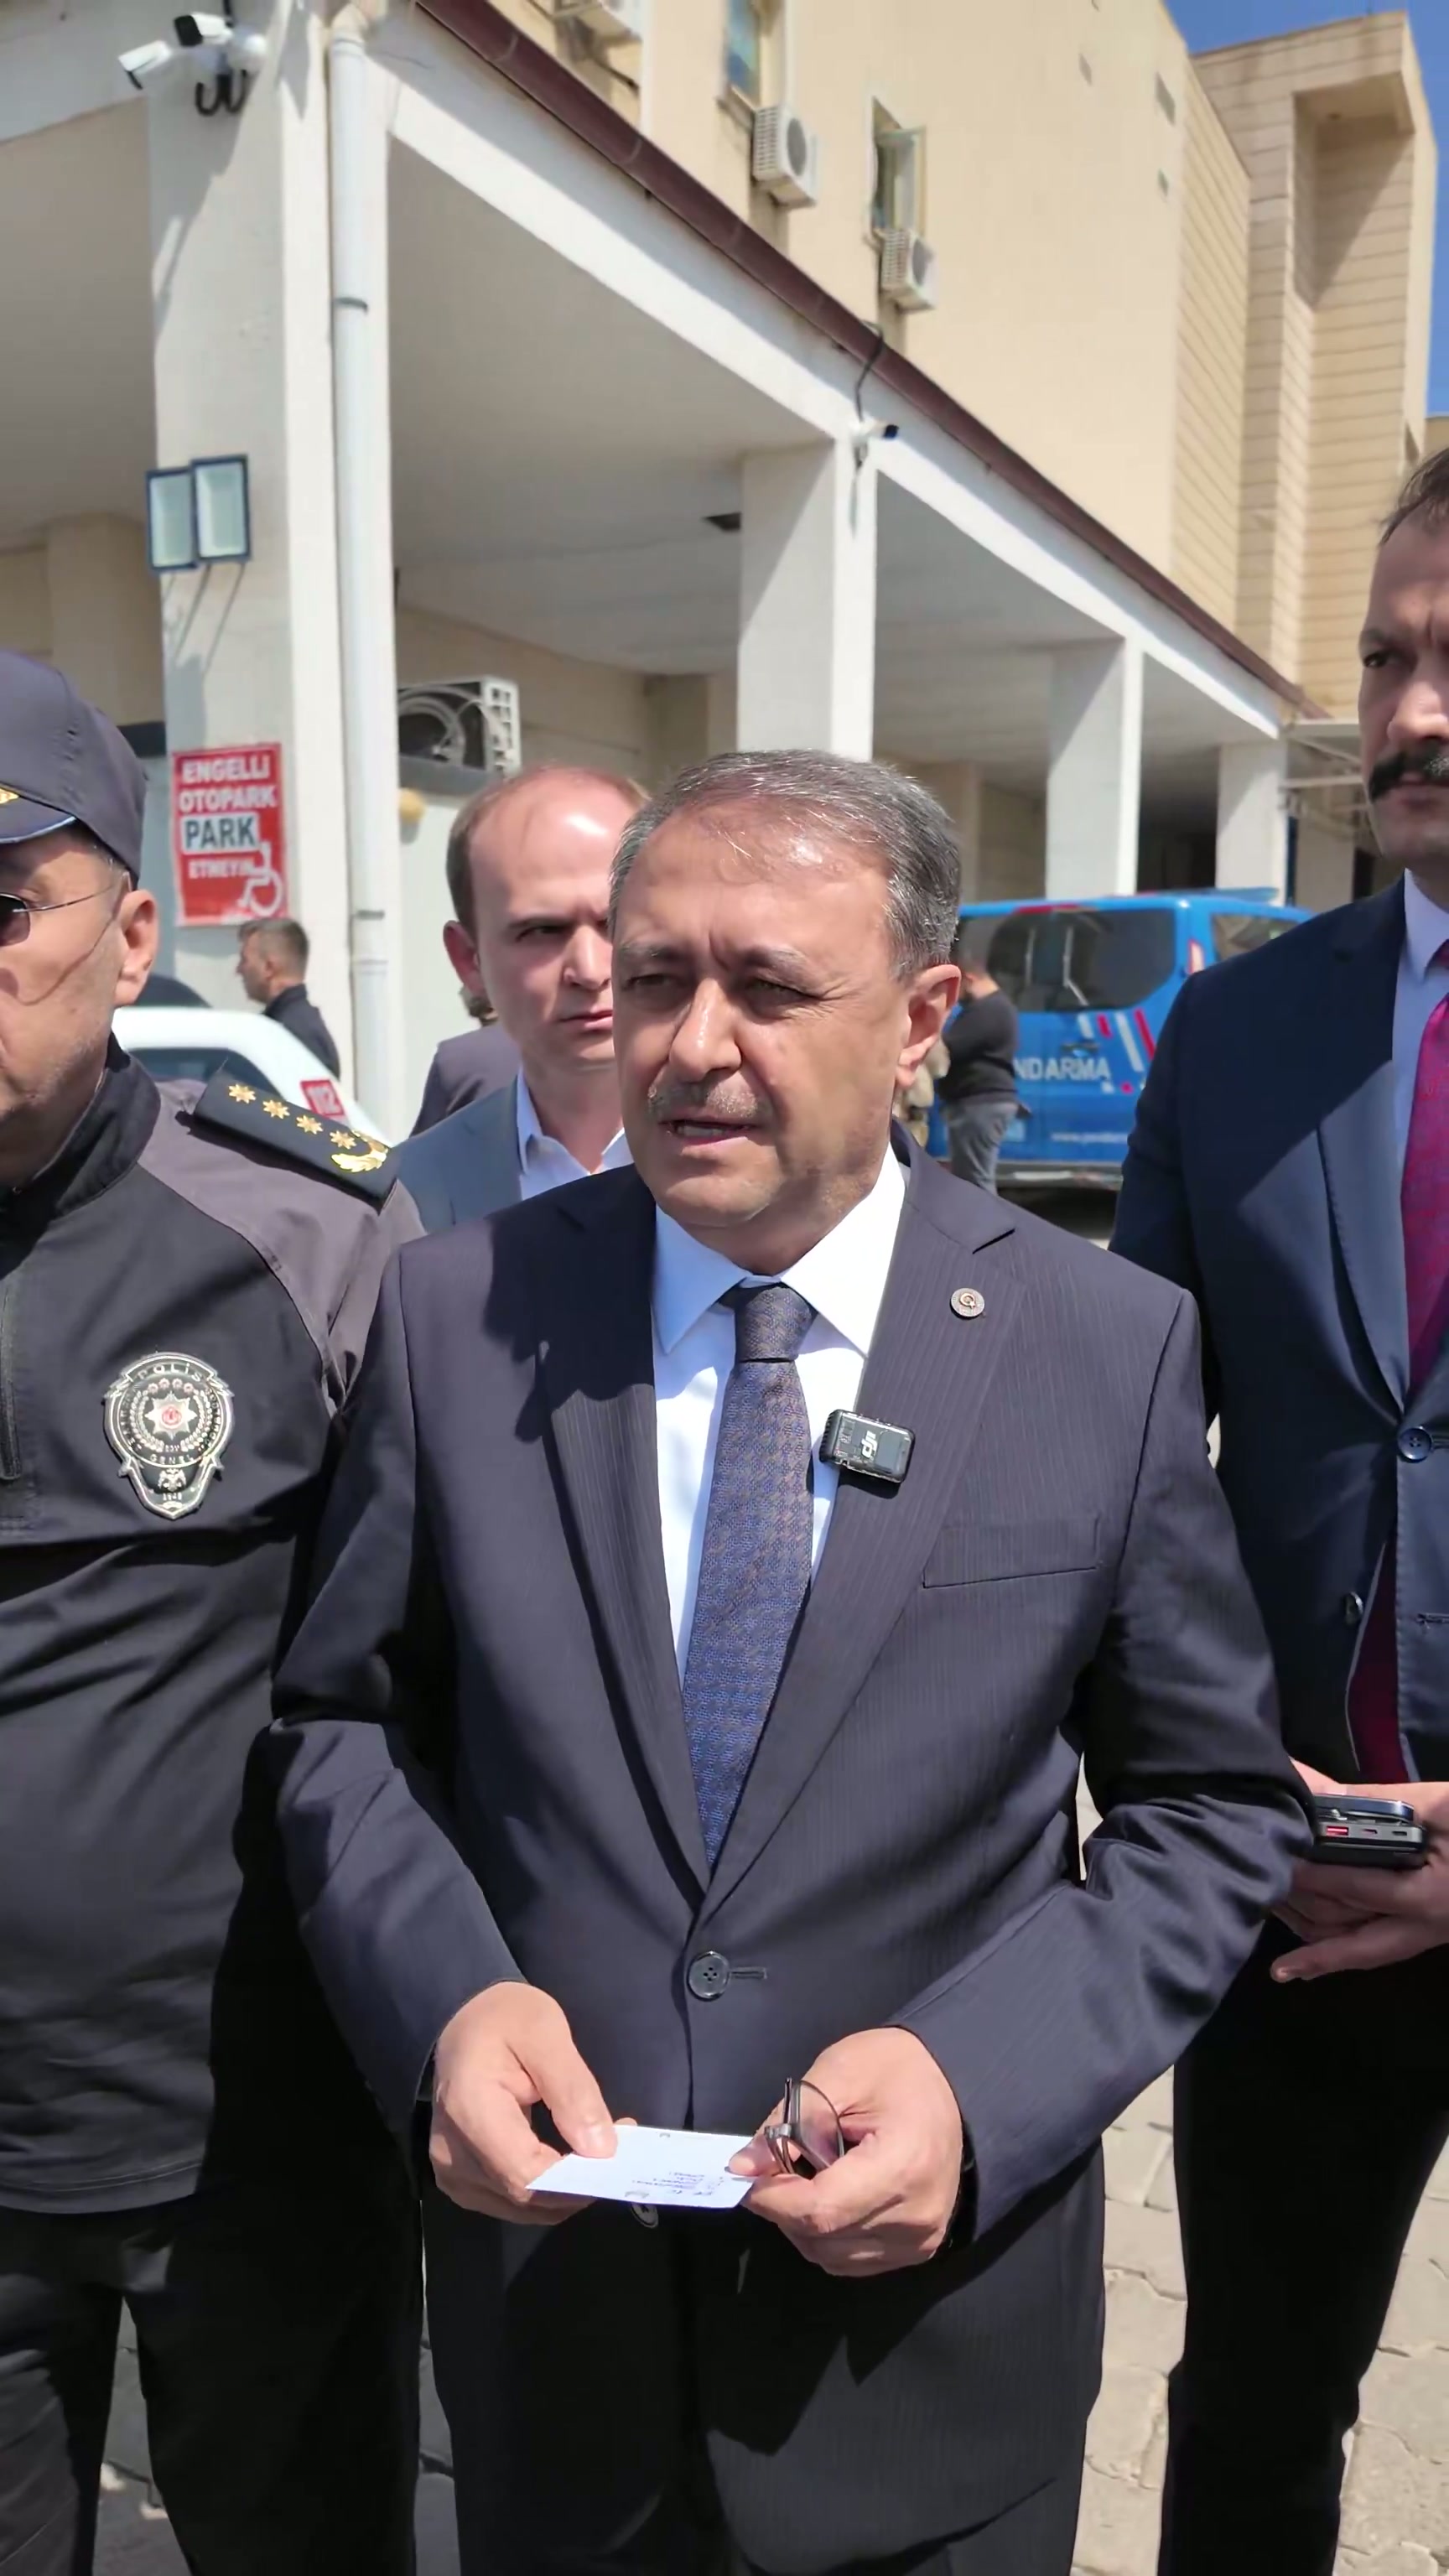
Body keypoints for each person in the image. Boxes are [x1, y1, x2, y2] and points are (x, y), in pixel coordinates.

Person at [273, 747, 1306, 2576]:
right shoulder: (459, 1311)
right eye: (657, 976)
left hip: (922, 2370)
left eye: (766, 986)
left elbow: (1208, 1810)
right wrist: (444, 2003)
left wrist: (978, 2083)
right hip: (557, 2350)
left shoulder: (1103, 1345)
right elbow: (346, 1725)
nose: (689, 1043)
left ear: (918, 1018)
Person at [0, 651, 421, 2576]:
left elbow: (432, 1669)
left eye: (7, 904)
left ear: (130, 936)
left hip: (244, 2133)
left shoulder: (306, 1236)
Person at [1112, 442, 1449, 2576]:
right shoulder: (1234, 1033)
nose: (1410, 712)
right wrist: (1212, 1782)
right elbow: (1136, 1463)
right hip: (1302, 1889)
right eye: (1384, 659)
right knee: (1249, 2413)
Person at [397, 765, 646, 1226]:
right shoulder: (405, 1198)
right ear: (469, 960)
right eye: (542, 931)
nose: (589, 971)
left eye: (617, 923)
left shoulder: (779, 1166)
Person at [937, 959, 1019, 1192]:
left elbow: (948, 1048)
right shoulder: (998, 1007)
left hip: (979, 1102)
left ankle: (984, 1216)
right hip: (983, 1101)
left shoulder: (987, 1010)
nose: (956, 997)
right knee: (972, 1176)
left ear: (969, 979)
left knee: (974, 1180)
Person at [236, 915, 341, 1075]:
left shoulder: (294, 1035)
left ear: (269, 968)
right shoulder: (289, 1025)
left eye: (245, 960)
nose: (239, 970)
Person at [410, 990, 519, 1134]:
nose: (460, 991)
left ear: (491, 1010)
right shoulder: (542, 1047)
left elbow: (423, 1141)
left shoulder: (455, 1054)